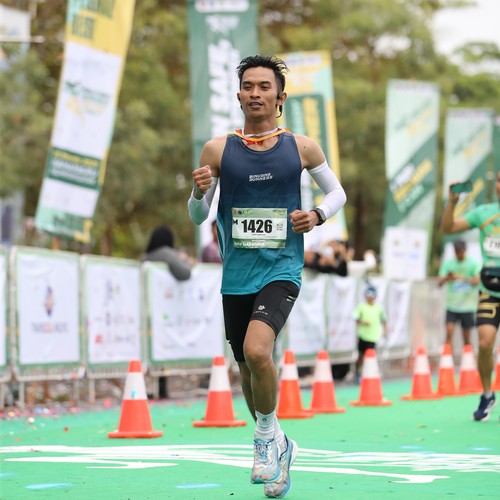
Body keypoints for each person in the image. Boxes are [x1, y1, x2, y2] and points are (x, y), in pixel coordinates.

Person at [187, 54, 346, 498]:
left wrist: (316, 215)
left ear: (280, 97)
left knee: (259, 351)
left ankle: (263, 439)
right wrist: (198, 192)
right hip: (237, 273)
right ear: (239, 96)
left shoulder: (302, 147)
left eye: (264, 86)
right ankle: (279, 444)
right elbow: (198, 216)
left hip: (282, 268)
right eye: (248, 86)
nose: (255, 93)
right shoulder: (217, 150)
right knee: (246, 367)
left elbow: (337, 193)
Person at [440, 173, 500, 422]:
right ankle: (487, 394)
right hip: (490, 291)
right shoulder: (484, 212)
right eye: (499, 180)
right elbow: (448, 229)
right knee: (484, 344)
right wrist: (452, 202)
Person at [142, 225, 194, 398]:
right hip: (163, 311)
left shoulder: (146, 257)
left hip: (144, 311)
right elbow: (185, 273)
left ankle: (146, 388)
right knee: (161, 348)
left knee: (146, 350)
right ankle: (161, 387)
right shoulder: (167, 254)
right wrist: (185, 261)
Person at [437, 239, 481, 347]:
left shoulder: (473, 263)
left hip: (468, 306)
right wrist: (448, 277)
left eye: (459, 250)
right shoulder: (449, 263)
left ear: (465, 250)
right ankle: (447, 355)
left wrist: (461, 278)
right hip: (452, 306)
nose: (457, 252)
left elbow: (476, 281)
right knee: (449, 332)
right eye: (456, 250)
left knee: (466, 338)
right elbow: (439, 281)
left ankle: (467, 355)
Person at [353, 285, 387, 383]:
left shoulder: (379, 308)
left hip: (373, 337)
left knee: (371, 356)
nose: (369, 298)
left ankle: (371, 375)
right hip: (362, 335)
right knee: (360, 356)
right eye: (368, 295)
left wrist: (385, 332)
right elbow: (356, 318)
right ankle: (358, 374)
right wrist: (363, 322)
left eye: (371, 296)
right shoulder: (361, 306)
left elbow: (384, 320)